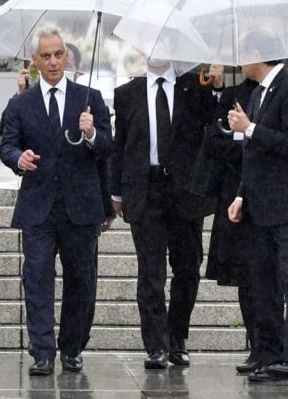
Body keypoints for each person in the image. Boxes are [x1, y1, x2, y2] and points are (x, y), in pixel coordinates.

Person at [0, 26, 112, 377]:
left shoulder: (88, 97)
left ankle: (73, 348)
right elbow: (6, 144)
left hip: (81, 206)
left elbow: (108, 147)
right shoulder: (21, 103)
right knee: (36, 278)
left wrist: (92, 132)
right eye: (45, 56)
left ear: (67, 56)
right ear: (35, 61)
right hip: (38, 206)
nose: (52, 61)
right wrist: (19, 158)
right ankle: (42, 351)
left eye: (58, 54)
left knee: (82, 280)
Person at [111, 59, 221, 369]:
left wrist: (214, 86)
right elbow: (121, 144)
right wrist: (116, 192)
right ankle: (155, 344)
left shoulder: (193, 86)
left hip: (185, 192)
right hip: (145, 190)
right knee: (151, 271)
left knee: (187, 267)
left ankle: (178, 337)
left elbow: (214, 123)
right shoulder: (128, 92)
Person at [227, 30, 288, 386]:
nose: (239, 61)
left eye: (243, 53)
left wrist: (250, 129)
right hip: (260, 205)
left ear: (258, 54)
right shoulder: (258, 93)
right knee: (263, 283)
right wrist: (241, 194)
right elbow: (253, 156)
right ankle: (268, 353)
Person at [200, 66, 259, 375]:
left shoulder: (281, 94)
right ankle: (256, 345)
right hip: (234, 195)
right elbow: (214, 142)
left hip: (268, 198)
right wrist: (243, 141)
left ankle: (270, 344)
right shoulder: (234, 97)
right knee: (244, 278)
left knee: (269, 278)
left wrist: (251, 133)